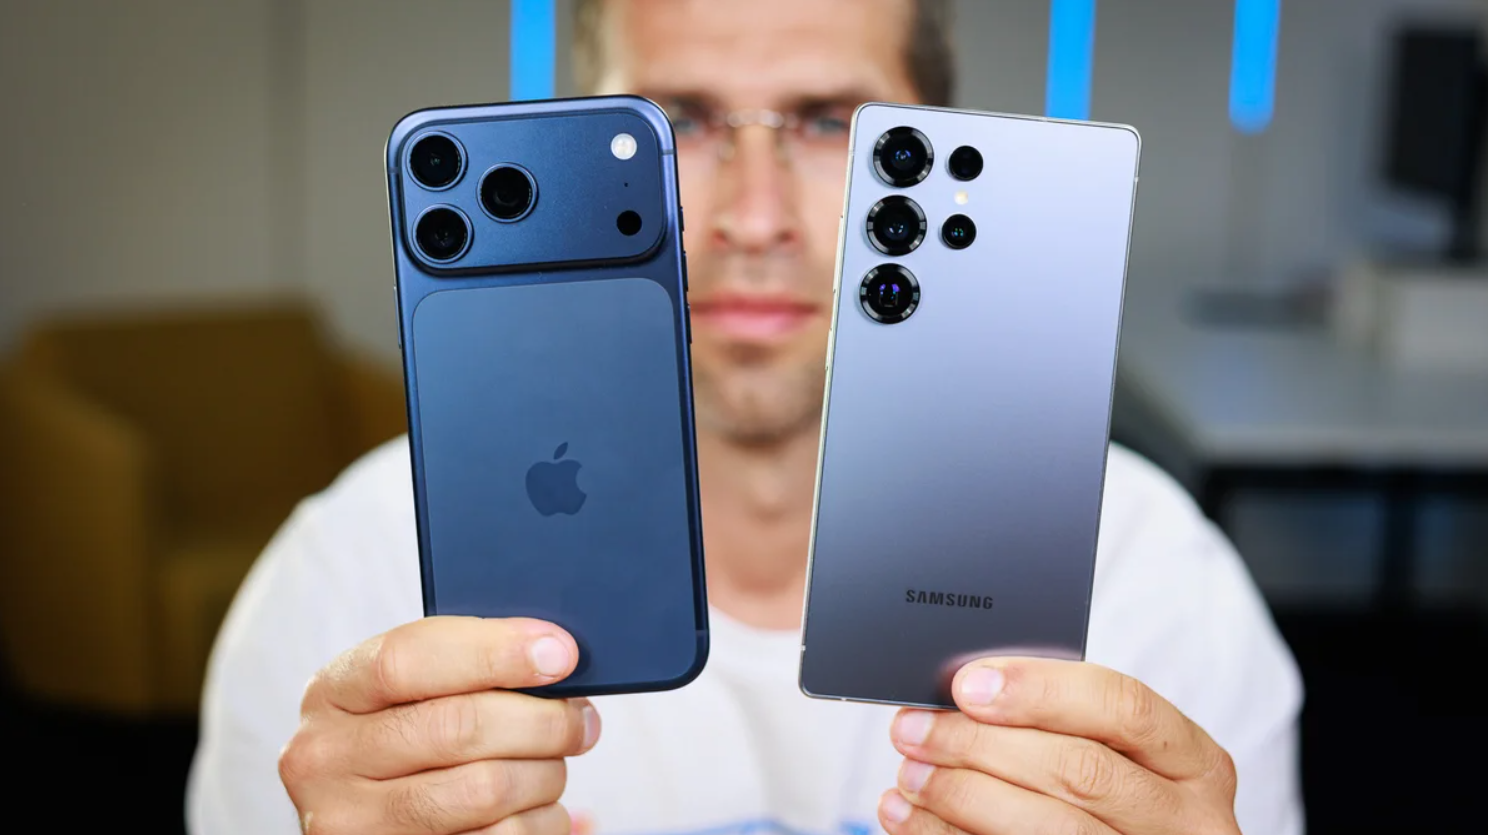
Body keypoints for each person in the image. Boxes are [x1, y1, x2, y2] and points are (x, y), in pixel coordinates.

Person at [187, 1, 1304, 833]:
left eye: (828, 123)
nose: (753, 216)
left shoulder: (1158, 588)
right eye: (675, 120)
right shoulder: (346, 582)